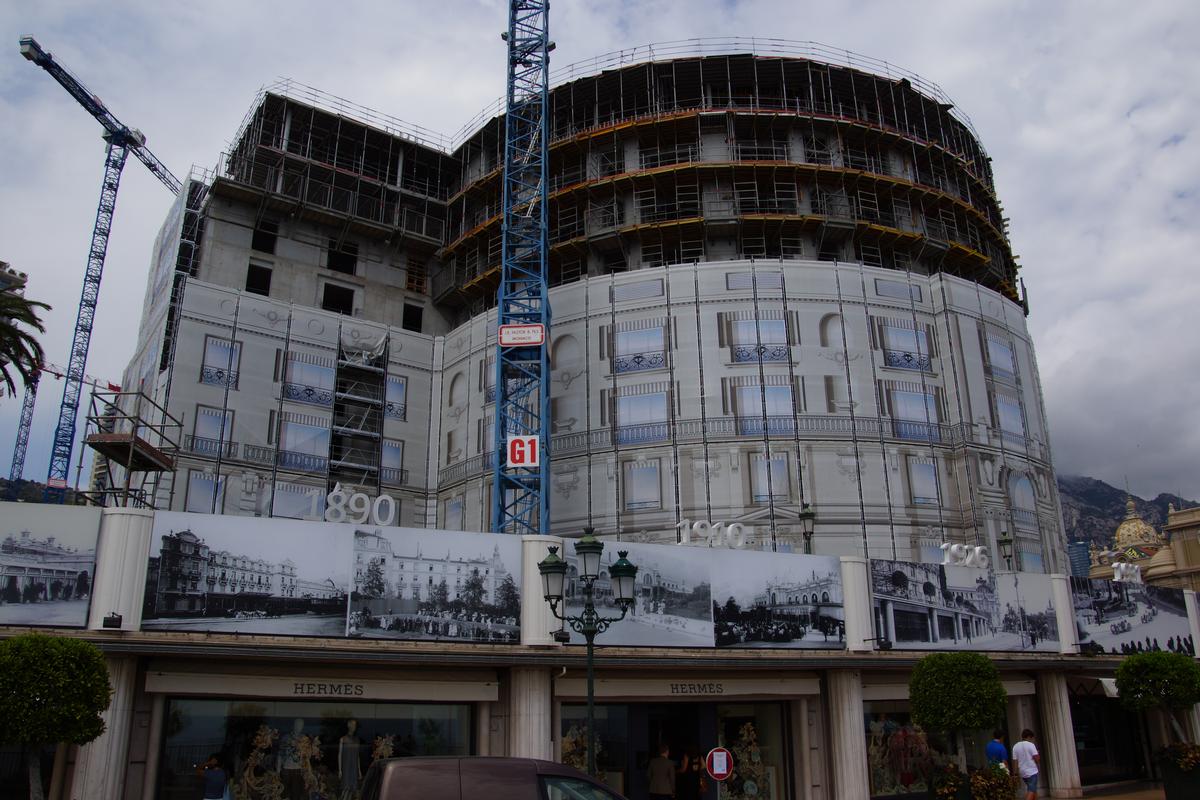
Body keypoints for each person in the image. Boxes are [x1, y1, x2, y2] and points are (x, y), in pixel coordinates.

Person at [1011, 728, 1040, 800]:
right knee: (1031, 790)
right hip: (1032, 771)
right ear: (1029, 737)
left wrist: (1015, 774)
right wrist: (1038, 756)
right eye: (1032, 738)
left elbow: (1015, 761)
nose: (1032, 740)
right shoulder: (1031, 745)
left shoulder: (1015, 746)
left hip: (1023, 772)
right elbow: (1037, 759)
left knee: (1033, 789)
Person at [339, 719, 362, 797]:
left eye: (355, 725)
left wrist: (359, 770)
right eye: (353, 725)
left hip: (354, 768)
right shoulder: (343, 739)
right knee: (345, 789)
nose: (354, 727)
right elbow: (339, 755)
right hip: (346, 767)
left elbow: (357, 756)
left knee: (352, 790)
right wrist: (340, 770)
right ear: (349, 725)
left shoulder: (357, 740)